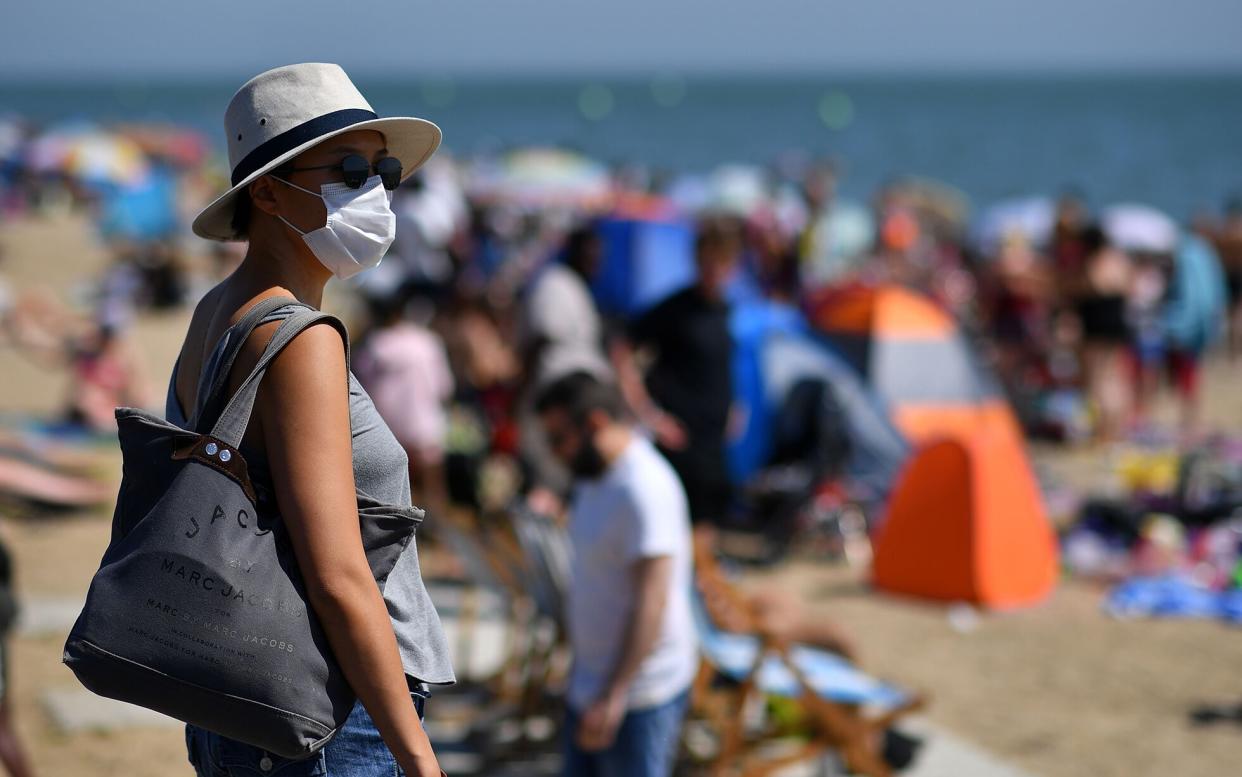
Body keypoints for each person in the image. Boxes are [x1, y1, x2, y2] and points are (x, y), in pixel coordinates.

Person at [169, 64, 452, 777]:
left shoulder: (216, 313)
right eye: (351, 168)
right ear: (266, 190)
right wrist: (417, 756)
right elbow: (338, 574)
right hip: (328, 713)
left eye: (384, 169)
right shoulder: (300, 340)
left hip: (240, 699)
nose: (377, 190)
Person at [535, 372, 697, 777]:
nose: (554, 454)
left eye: (558, 439)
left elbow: (652, 601)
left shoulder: (644, 487)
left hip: (638, 693)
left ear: (594, 424)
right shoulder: (595, 476)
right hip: (590, 683)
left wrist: (615, 693)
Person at [613, 219, 740, 526]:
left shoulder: (726, 310)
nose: (713, 271)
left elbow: (719, 364)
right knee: (673, 521)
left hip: (713, 436)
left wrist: (735, 405)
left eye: (721, 263)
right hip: (678, 437)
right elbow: (622, 351)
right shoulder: (675, 309)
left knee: (709, 515)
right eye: (707, 262)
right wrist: (648, 413)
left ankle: (705, 572)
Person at [354, 292, 455, 523]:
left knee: (395, 498)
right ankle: (438, 535)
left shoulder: (377, 344)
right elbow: (444, 387)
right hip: (426, 427)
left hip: (389, 429)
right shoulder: (428, 341)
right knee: (433, 491)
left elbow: (362, 384)